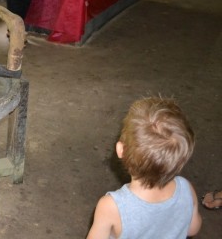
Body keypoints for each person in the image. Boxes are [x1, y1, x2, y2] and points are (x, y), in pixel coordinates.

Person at [87, 97, 202, 239]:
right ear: (181, 159)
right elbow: (192, 229)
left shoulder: (111, 206)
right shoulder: (186, 189)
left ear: (120, 149)